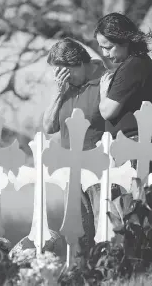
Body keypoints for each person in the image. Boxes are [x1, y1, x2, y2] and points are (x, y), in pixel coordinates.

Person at [42, 38, 107, 253]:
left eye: (64, 71)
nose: (61, 77)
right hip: (72, 170)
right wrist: (59, 93)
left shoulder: (104, 80)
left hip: (99, 168)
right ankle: (84, 273)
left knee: (102, 224)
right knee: (78, 228)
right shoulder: (65, 89)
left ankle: (108, 269)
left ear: (78, 63)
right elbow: (48, 127)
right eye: (58, 73)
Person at [94, 12, 152, 146]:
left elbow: (107, 112)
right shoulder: (138, 63)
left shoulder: (133, 67)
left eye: (108, 47)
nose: (104, 53)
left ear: (125, 41)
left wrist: (103, 92)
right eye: (101, 48)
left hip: (134, 145)